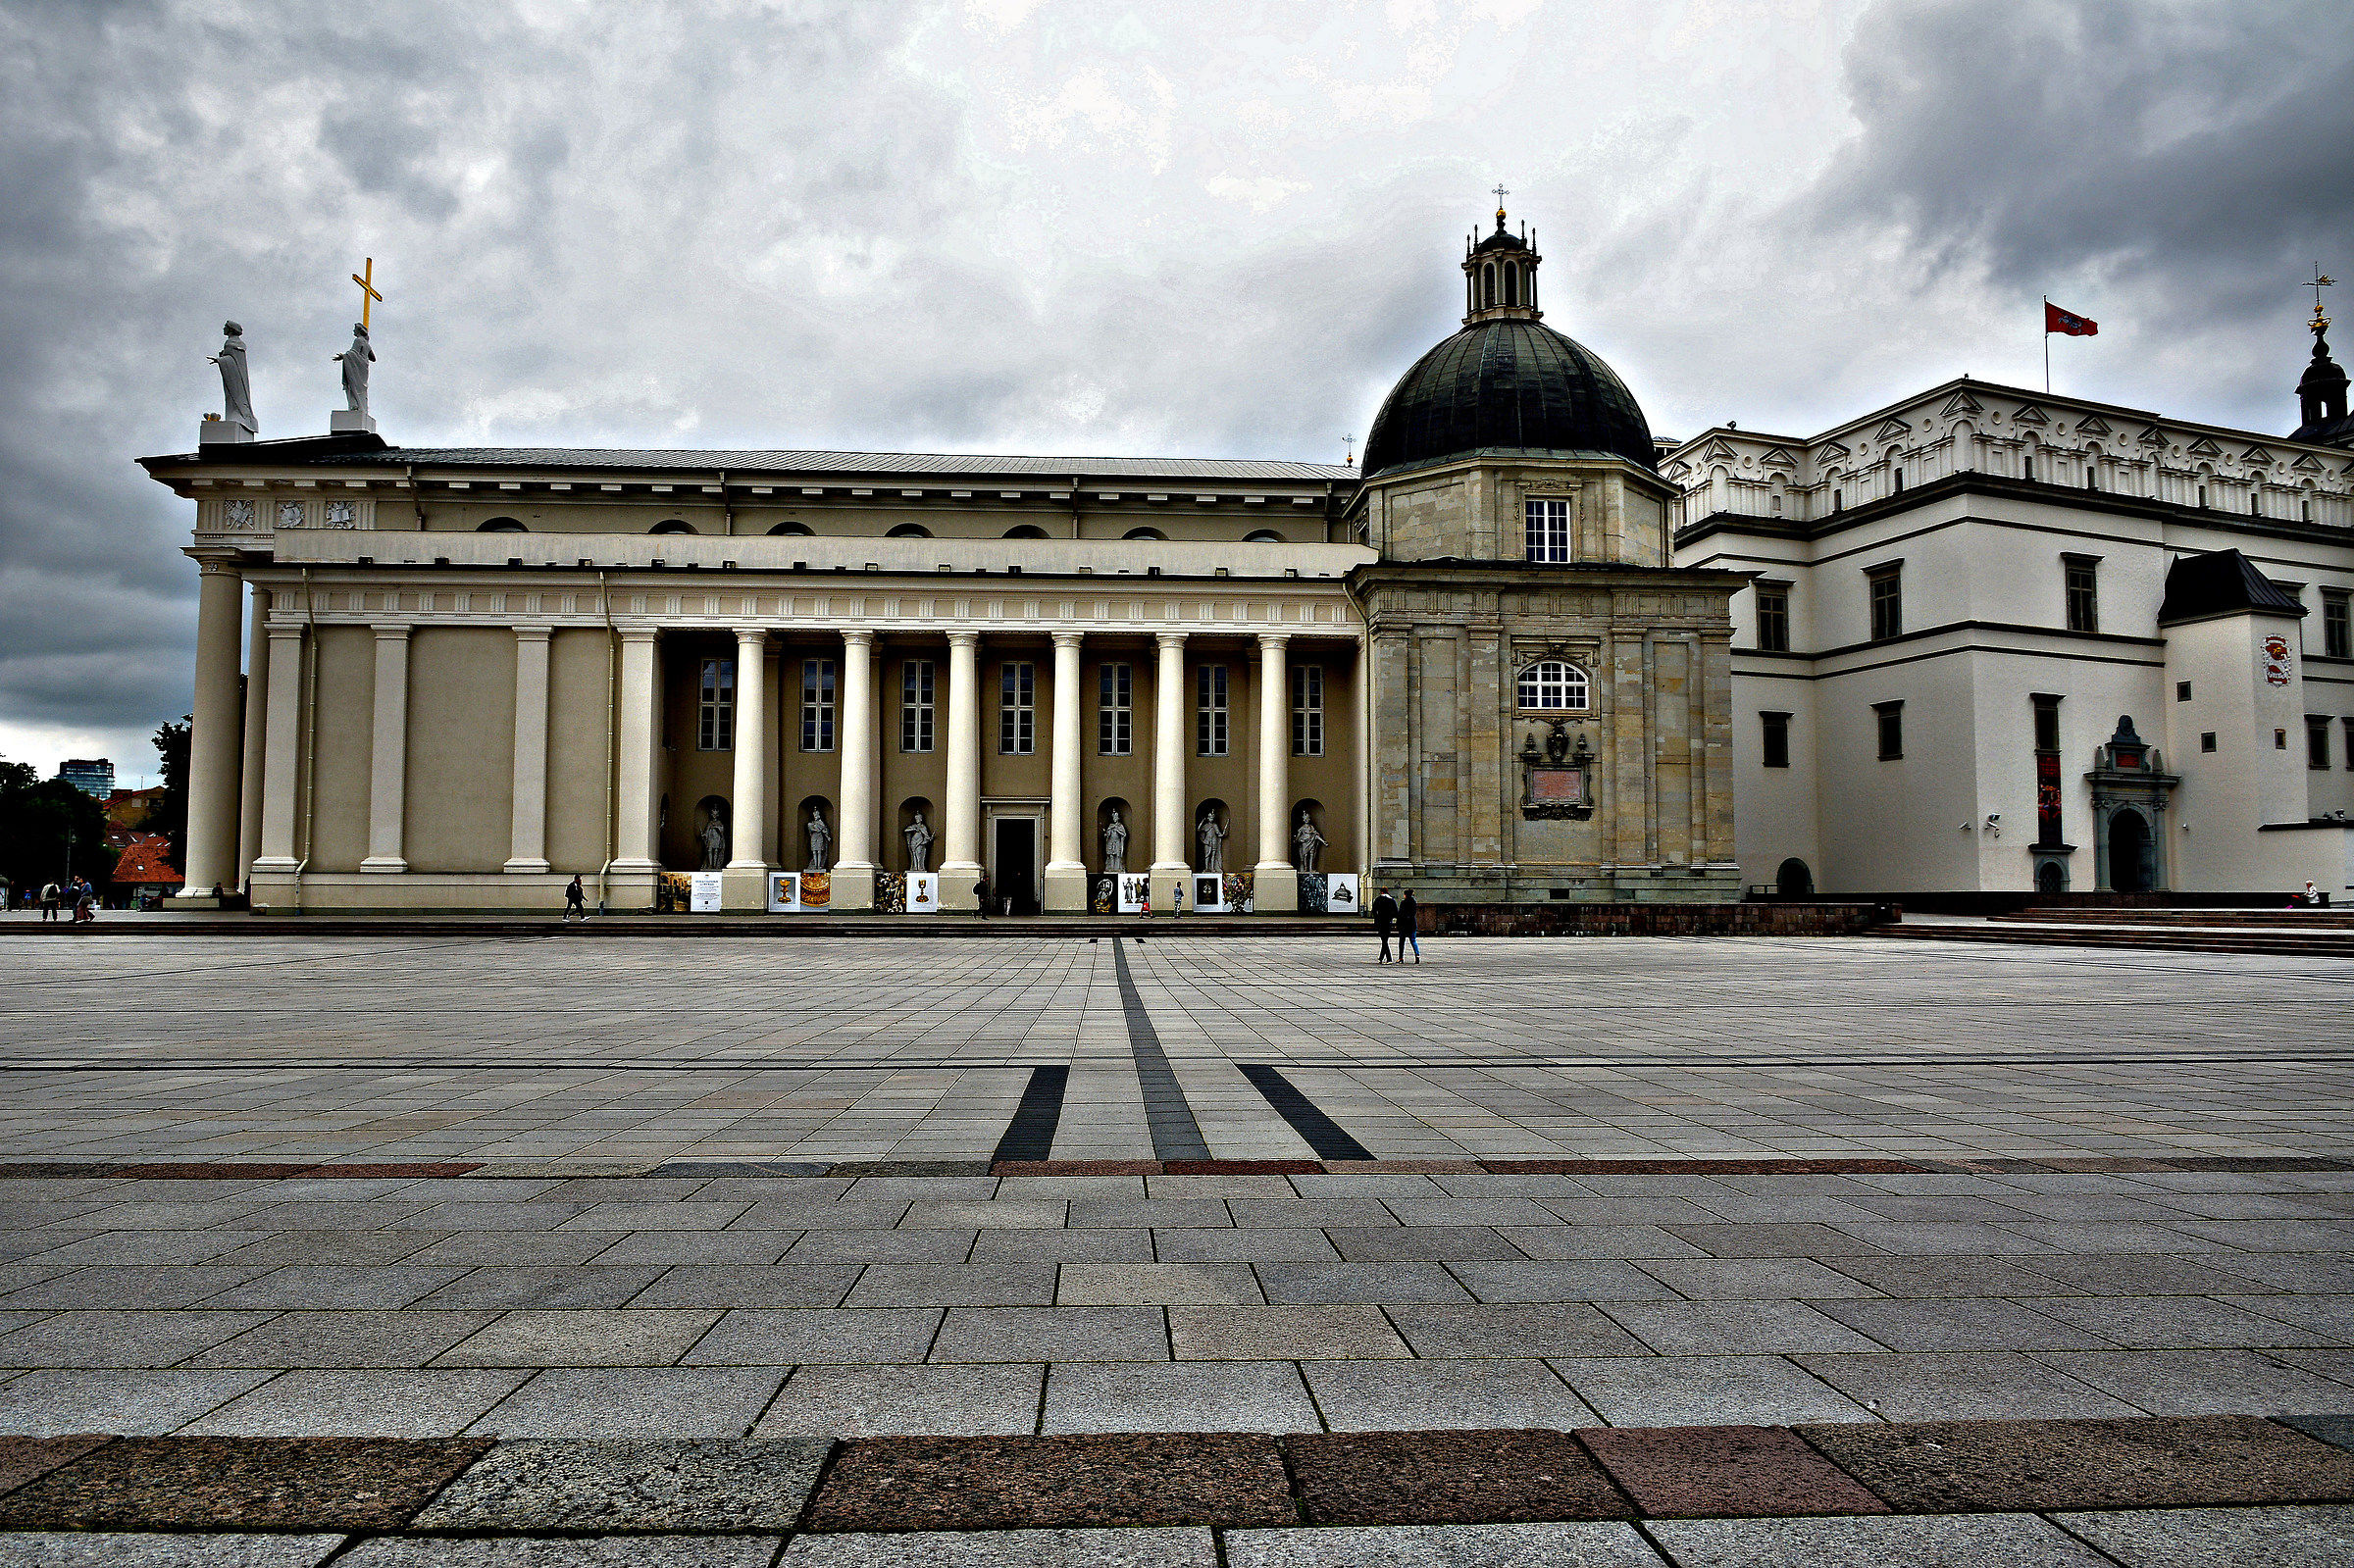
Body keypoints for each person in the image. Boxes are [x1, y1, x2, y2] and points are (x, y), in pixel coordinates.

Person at [1370, 885, 1398, 963]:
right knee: (1385, 939)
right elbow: (1395, 912)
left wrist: (1377, 918)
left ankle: (1389, 958)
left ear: (1381, 892)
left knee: (1384, 940)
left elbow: (1374, 911)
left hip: (1380, 922)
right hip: (1388, 922)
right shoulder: (1391, 900)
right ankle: (1381, 958)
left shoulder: (1378, 900)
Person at [1398, 888, 1421, 963]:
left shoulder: (1403, 902)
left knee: (1402, 941)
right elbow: (1413, 913)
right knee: (1413, 940)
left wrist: (1397, 924)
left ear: (1405, 895)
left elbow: (1400, 914)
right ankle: (1417, 955)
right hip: (1412, 924)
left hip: (1403, 925)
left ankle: (1401, 958)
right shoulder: (1414, 902)